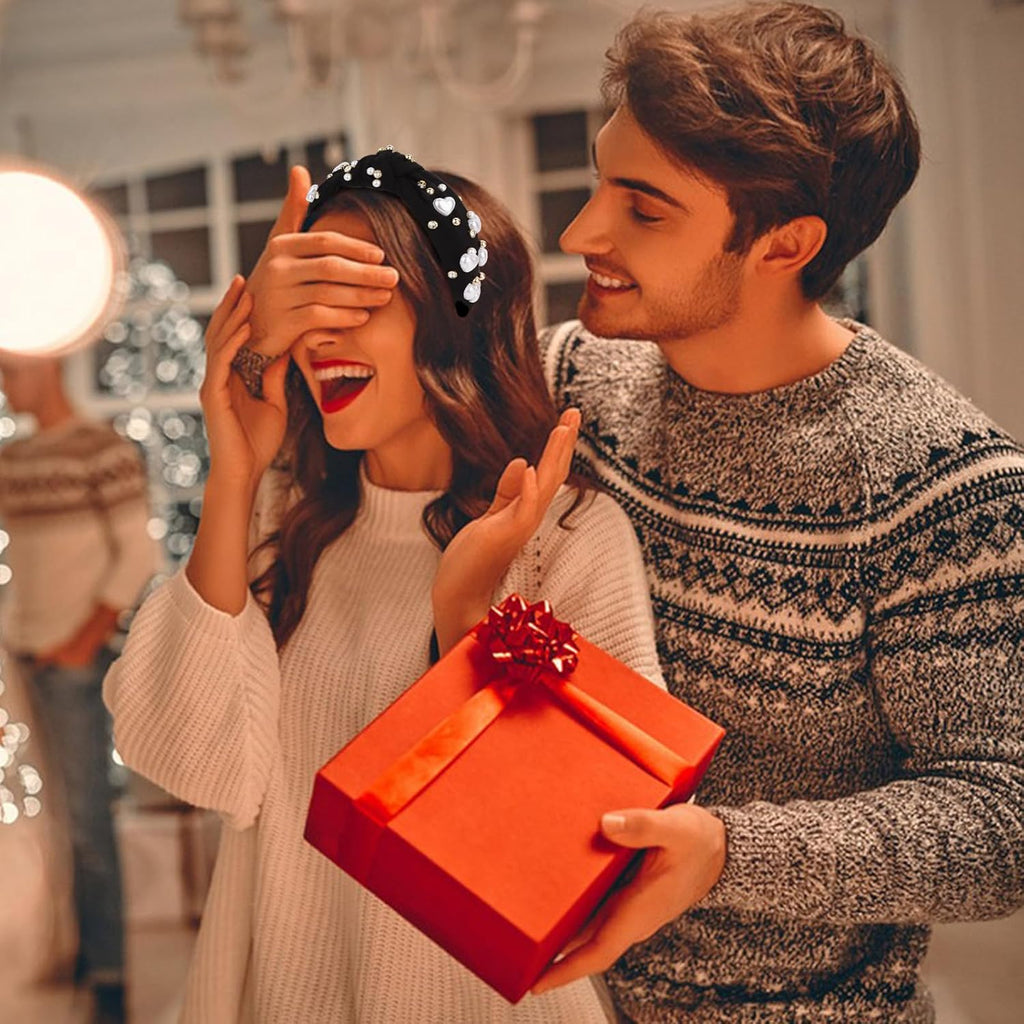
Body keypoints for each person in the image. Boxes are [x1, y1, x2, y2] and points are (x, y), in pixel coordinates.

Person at [243, 4, 1024, 1021]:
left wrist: (728, 852)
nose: (581, 232)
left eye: (643, 209)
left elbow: (1000, 819)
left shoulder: (943, 487)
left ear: (784, 245)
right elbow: (380, 428)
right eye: (602, 179)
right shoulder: (569, 379)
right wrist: (284, 325)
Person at [102, 151, 666, 1023]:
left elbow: (584, 850)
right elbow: (195, 763)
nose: (321, 336)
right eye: (308, 306)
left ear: (454, 320)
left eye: (358, 300)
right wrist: (234, 472)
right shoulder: (281, 525)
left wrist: (466, 617)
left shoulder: (566, 538)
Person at [0, 352, 160, 1023]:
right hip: (23, 659)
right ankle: (75, 952)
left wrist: (80, 643)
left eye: (10, 372)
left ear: (47, 366)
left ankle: (111, 981)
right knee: (55, 821)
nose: (5, 386)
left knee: (89, 822)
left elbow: (138, 556)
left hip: (73, 665)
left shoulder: (104, 450)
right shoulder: (12, 460)